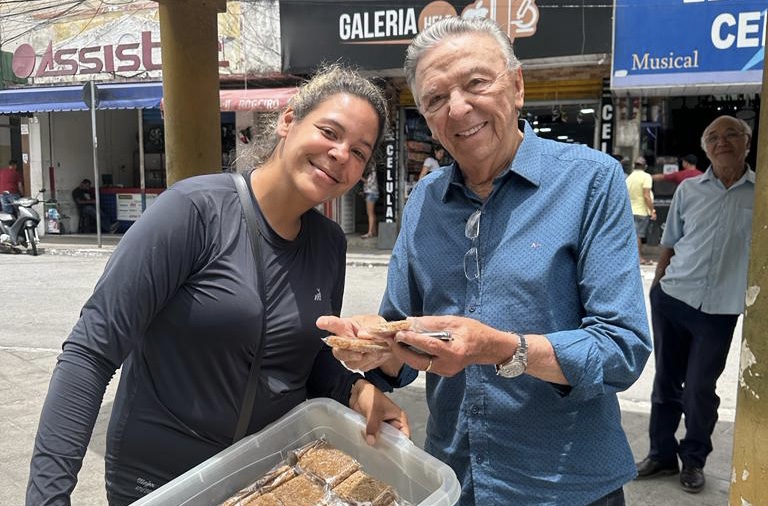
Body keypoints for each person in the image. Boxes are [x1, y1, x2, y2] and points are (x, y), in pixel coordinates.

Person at [26, 65, 409, 506]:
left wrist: (358, 391)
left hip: (264, 478)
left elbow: (305, 359)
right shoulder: (193, 212)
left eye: (360, 152)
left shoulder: (328, 245)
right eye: (329, 131)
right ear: (288, 121)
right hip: (161, 479)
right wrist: (48, 497)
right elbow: (90, 353)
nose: (342, 154)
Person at [317, 17, 651, 506]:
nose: (458, 108)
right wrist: (374, 347)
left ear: (516, 85)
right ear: (427, 118)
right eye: (434, 99)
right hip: (457, 481)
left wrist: (499, 348)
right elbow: (404, 339)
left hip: (567, 486)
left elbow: (622, 349)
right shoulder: (426, 200)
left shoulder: (590, 182)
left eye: (476, 83)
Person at [635, 115, 754, 494]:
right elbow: (670, 242)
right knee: (665, 381)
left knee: (700, 388)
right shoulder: (689, 191)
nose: (722, 142)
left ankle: (694, 459)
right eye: (713, 137)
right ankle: (661, 454)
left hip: (720, 309)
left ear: (747, 143)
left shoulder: (760, 191)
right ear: (705, 148)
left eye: (731, 134)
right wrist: (657, 289)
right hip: (674, 298)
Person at [625, 156, 657, 265]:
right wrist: (652, 210)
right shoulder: (646, 176)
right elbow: (646, 195)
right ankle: (638, 258)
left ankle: (632, 258)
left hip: (630, 211)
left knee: (633, 235)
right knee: (638, 235)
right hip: (641, 211)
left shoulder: (629, 178)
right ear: (645, 166)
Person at [361, 165, 379, 239]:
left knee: (370, 214)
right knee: (372, 213)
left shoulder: (372, 172)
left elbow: (368, 182)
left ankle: (370, 232)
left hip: (371, 193)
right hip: (372, 193)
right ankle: (374, 231)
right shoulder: (372, 172)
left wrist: (360, 177)